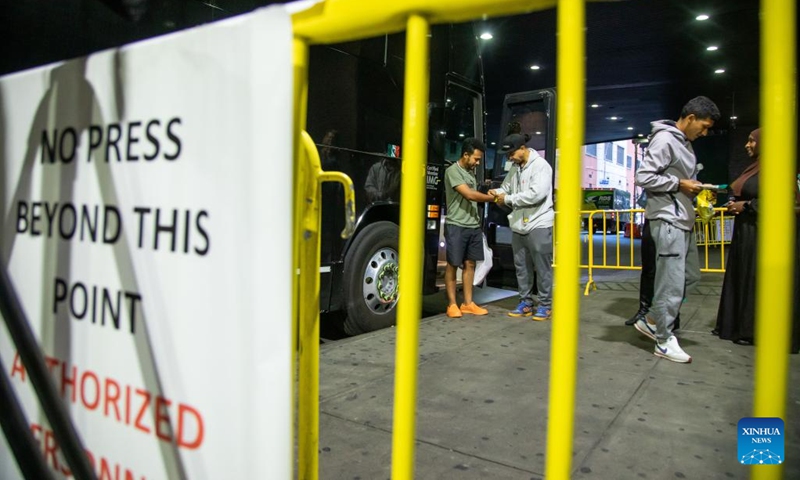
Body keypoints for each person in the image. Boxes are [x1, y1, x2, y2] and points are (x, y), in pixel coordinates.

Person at [633, 96, 720, 363]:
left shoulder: (683, 143)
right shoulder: (665, 139)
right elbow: (643, 177)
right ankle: (662, 338)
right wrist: (680, 184)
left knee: (689, 277)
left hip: (681, 219)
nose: (704, 133)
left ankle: (651, 319)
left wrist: (690, 187)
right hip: (668, 220)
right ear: (691, 117)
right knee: (670, 283)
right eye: (703, 126)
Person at [713, 129, 800, 353]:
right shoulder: (757, 166)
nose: (747, 145)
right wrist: (734, 202)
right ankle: (744, 326)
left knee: (758, 281)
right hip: (749, 233)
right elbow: (742, 188)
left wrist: (748, 206)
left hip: (764, 236)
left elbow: (782, 202)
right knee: (748, 280)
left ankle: (756, 329)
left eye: (752, 140)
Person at [489, 133, 554, 321]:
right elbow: (507, 187)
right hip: (519, 224)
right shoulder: (515, 167)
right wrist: (497, 192)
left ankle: (545, 305)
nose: (509, 158)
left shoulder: (541, 166)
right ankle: (525, 302)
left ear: (522, 149)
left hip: (539, 222)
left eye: (511, 153)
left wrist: (507, 198)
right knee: (521, 267)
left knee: (542, 268)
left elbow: (537, 194)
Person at [443, 138, 496, 318]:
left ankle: (467, 303)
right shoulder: (452, 171)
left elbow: (475, 194)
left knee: (470, 264)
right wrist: (493, 198)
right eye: (476, 159)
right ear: (465, 155)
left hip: (473, 225)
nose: (478, 162)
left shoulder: (470, 173)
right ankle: (452, 304)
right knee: (453, 264)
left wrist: (486, 193)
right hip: (456, 225)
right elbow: (469, 195)